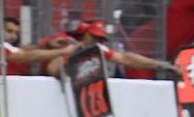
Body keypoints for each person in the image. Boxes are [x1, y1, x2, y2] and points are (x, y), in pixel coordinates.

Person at [46, 19, 180, 77]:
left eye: (99, 39)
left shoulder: (95, 48)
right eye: (93, 37)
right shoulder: (66, 42)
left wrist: (161, 65)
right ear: (83, 33)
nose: (96, 41)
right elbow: (52, 69)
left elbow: (125, 58)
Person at [0, 16, 79, 75]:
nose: (13, 37)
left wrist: (48, 45)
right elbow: (25, 56)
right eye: (9, 31)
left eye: (16, 33)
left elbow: (21, 51)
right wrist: (64, 52)